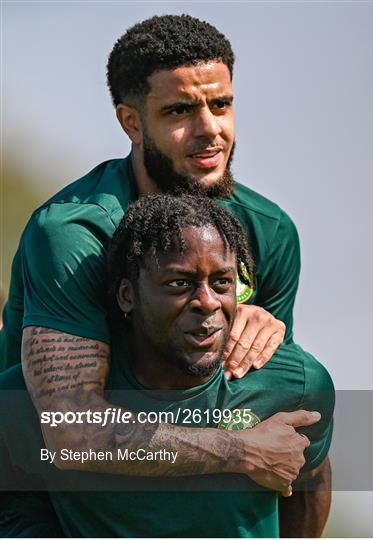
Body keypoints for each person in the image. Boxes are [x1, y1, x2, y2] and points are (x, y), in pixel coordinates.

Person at [0, 14, 330, 536]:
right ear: (131, 123)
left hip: (180, 453)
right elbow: (69, 431)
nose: (210, 130)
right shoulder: (74, 235)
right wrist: (239, 448)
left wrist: (255, 335)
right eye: (180, 111)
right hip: (44, 482)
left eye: (221, 105)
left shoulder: (269, 232)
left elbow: (269, 407)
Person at [0, 195, 334, 537]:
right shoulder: (27, 402)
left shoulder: (296, 386)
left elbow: (310, 479)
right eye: (179, 283)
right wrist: (243, 450)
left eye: (222, 283)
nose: (207, 302)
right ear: (127, 296)